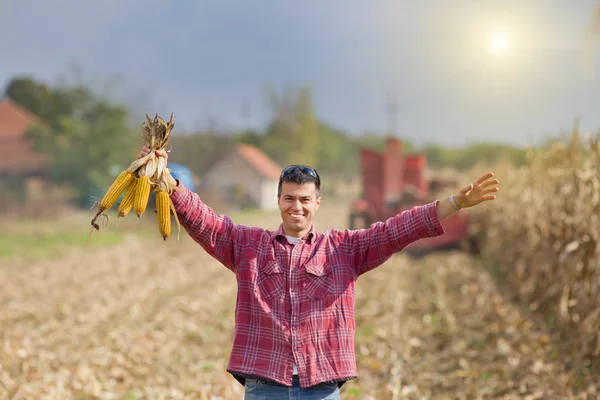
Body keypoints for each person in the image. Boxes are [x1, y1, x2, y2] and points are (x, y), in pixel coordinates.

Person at [137, 144, 499, 399]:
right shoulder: (248, 245)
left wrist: (454, 203)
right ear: (279, 201)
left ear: (317, 203)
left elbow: (396, 230)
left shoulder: (344, 249)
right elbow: (206, 222)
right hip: (265, 388)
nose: (297, 207)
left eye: (305, 199)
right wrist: (169, 184)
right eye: (290, 198)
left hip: (321, 389)